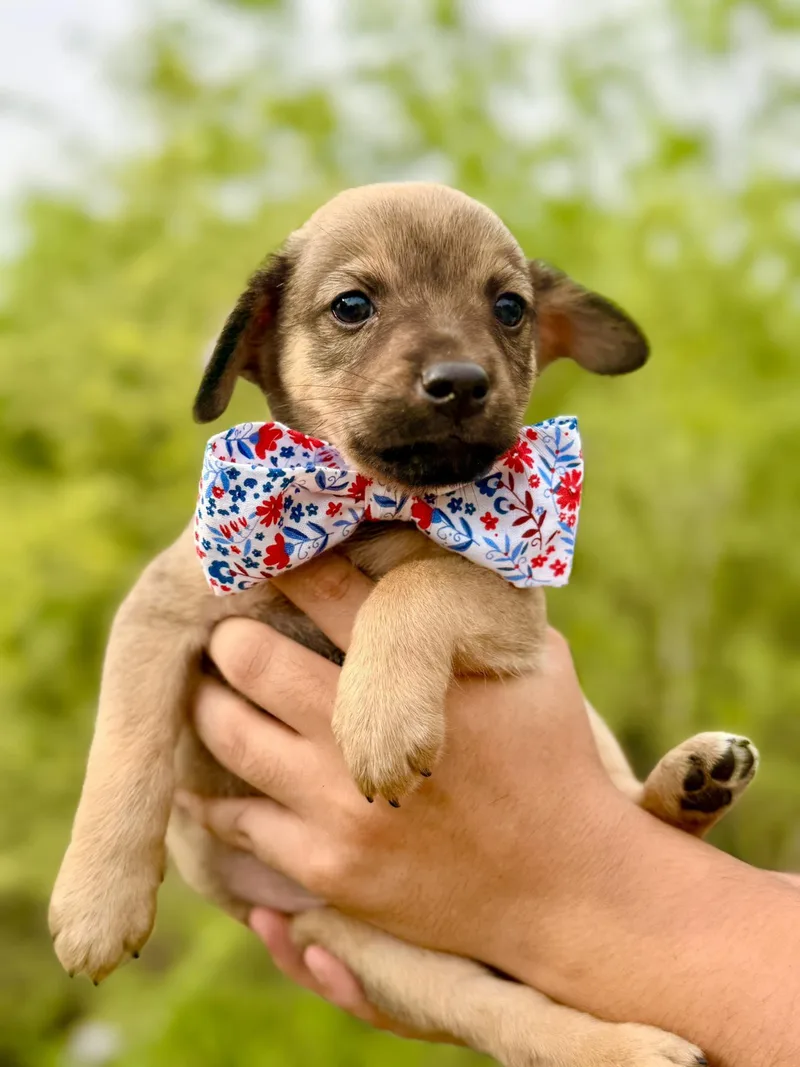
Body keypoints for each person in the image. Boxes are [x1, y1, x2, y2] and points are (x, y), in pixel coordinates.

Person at [177, 554, 800, 1067]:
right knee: (403, 969)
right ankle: (574, 1043)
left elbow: (522, 643)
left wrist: (600, 865)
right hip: (300, 889)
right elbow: (149, 626)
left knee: (536, 685)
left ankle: (629, 812)